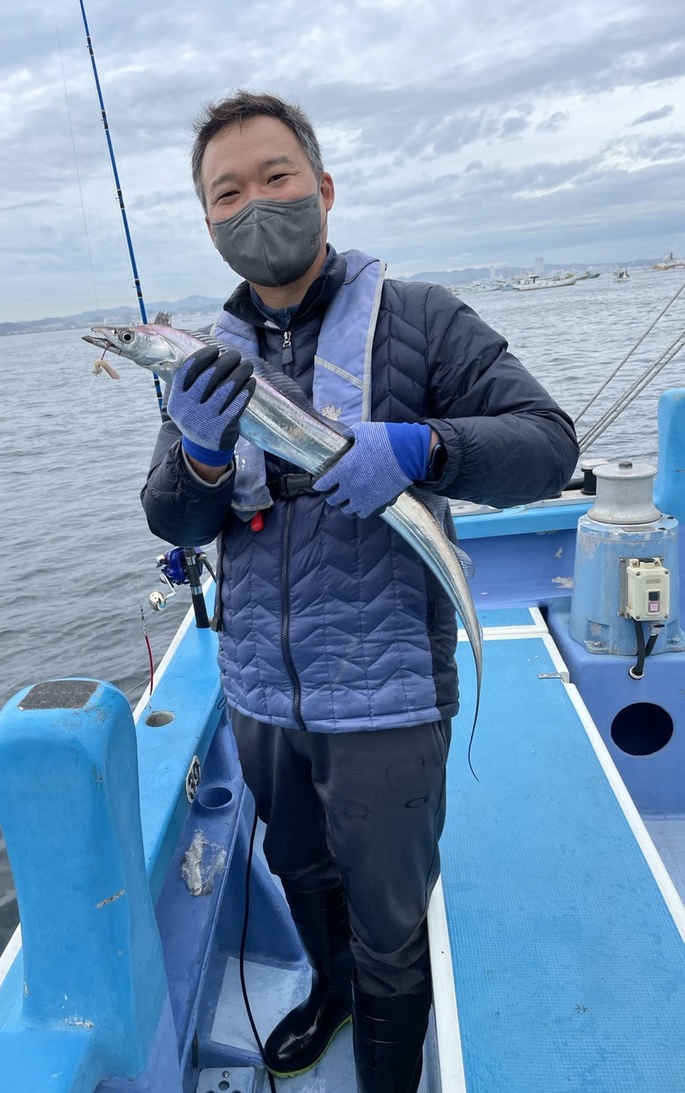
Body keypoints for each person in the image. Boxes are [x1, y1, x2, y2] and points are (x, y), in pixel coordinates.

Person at [141, 91, 579, 1093]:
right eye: (227, 194)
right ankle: (330, 992)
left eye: (276, 177)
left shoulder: (422, 319)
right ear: (207, 222)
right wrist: (197, 459)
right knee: (298, 868)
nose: (256, 205)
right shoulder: (203, 361)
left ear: (324, 187)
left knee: (389, 914)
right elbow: (175, 521)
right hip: (262, 692)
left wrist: (425, 446)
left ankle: (385, 1068)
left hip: (388, 693)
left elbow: (547, 446)